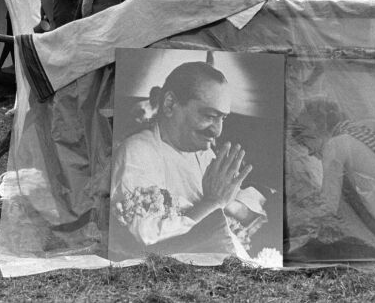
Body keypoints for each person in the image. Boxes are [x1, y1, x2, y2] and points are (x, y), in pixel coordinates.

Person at [110, 61, 266, 260]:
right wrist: (212, 202)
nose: (218, 130)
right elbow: (148, 237)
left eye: (223, 118)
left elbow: (241, 208)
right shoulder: (137, 151)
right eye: (210, 115)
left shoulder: (202, 150)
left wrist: (230, 204)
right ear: (169, 104)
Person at [290, 98, 375, 254]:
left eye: (305, 141)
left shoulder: (336, 144)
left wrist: (294, 223)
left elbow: (327, 205)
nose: (309, 152)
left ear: (317, 129)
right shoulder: (357, 135)